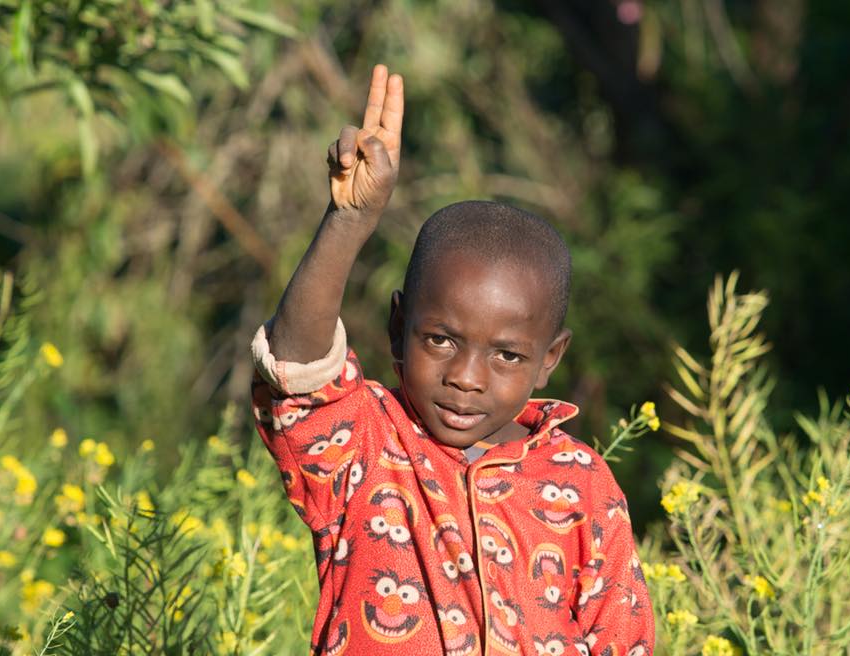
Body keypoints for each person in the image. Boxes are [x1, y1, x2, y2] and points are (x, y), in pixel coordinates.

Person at [250, 64, 654, 656]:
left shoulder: (581, 483)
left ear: (550, 359)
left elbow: (622, 639)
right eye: (440, 340)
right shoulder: (367, 446)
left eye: (508, 355)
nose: (465, 377)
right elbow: (296, 368)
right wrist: (350, 220)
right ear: (397, 328)